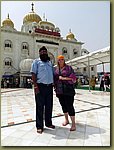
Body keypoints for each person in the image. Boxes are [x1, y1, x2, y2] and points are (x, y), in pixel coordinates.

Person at [30, 46, 55, 134]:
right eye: (42, 52)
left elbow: (52, 73)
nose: (44, 53)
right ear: (39, 53)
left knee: (49, 106)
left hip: (49, 87)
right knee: (40, 107)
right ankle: (39, 126)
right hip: (40, 87)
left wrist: (54, 84)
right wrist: (35, 86)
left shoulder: (49, 62)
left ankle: (48, 123)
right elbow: (33, 74)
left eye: (45, 51)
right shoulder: (36, 62)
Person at [54, 55, 76, 131]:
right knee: (63, 106)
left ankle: (73, 124)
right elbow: (55, 79)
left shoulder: (69, 68)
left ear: (64, 60)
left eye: (62, 59)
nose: (61, 61)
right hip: (60, 91)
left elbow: (73, 78)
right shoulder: (56, 70)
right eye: (60, 59)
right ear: (58, 61)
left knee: (70, 106)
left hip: (68, 90)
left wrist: (64, 78)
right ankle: (66, 120)